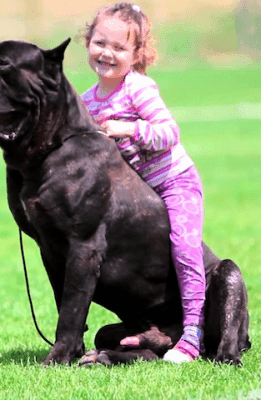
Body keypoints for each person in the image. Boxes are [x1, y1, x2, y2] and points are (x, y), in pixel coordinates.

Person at [80, 2, 206, 363]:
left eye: (120, 48)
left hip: (174, 182)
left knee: (184, 249)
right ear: (88, 41)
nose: (108, 53)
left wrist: (129, 128)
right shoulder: (87, 101)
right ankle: (148, 328)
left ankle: (194, 333)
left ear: (136, 54)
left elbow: (170, 132)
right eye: (101, 43)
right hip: (140, 198)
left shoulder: (139, 88)